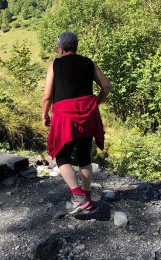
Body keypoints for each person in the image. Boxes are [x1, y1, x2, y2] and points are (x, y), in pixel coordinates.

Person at [42, 32, 111, 214]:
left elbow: (47, 95)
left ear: (62, 48)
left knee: (62, 155)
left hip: (64, 114)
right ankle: (86, 198)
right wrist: (95, 103)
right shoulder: (89, 63)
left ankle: (78, 196)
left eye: (58, 47)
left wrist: (44, 115)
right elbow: (106, 86)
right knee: (84, 155)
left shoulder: (55, 64)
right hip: (87, 112)